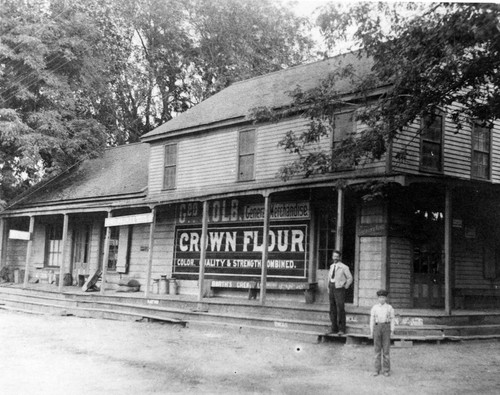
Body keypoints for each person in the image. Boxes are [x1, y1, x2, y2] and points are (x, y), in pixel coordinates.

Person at [369, 289, 396, 377]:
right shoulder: (374, 308)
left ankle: (386, 370)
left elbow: (392, 320)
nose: (382, 299)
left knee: (386, 350)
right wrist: (371, 331)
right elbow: (372, 320)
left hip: (386, 328)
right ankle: (376, 369)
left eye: (383, 297)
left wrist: (392, 330)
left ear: (386, 298)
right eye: (380, 297)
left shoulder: (389, 308)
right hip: (377, 328)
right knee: (377, 350)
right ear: (378, 298)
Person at [328, 250, 353, 335]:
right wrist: (329, 286)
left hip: (339, 289)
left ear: (339, 257)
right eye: (334, 256)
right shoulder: (331, 266)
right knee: (332, 308)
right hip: (332, 287)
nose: (335, 258)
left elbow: (350, 278)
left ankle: (342, 329)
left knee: (340, 308)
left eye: (337, 256)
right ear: (332, 257)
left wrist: (345, 286)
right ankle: (334, 328)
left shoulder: (344, 267)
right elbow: (330, 278)